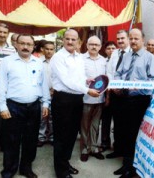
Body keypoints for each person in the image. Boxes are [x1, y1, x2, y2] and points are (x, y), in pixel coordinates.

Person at [0, 34, 50, 178]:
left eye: (29, 44)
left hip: (33, 107)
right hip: (13, 107)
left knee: (31, 140)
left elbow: (43, 84)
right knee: (11, 140)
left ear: (33, 46)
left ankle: (26, 168)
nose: (26, 47)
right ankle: (9, 170)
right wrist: (2, 106)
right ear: (16, 45)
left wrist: (46, 102)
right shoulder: (7, 62)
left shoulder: (38, 63)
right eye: (22, 43)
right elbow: (1, 85)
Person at [50, 29, 99, 178]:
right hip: (63, 100)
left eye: (73, 39)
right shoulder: (58, 57)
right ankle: (61, 171)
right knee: (61, 136)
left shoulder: (79, 57)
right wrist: (87, 90)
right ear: (63, 40)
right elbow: (66, 80)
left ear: (78, 41)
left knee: (71, 135)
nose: (70, 42)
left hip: (77, 99)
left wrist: (87, 80)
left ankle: (65, 163)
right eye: (68, 39)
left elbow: (78, 76)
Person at [113, 28, 154, 177]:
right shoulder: (126, 56)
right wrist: (118, 85)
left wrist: (138, 85)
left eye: (136, 38)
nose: (132, 41)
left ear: (142, 40)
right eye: (131, 38)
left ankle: (131, 168)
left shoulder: (149, 58)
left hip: (139, 100)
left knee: (133, 134)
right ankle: (126, 163)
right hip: (123, 98)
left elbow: (153, 81)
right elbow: (118, 73)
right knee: (124, 132)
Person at [80, 36, 106, 162]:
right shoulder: (80, 59)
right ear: (87, 45)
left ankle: (94, 148)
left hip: (100, 99)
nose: (94, 47)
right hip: (86, 98)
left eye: (96, 45)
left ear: (100, 47)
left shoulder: (104, 60)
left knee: (95, 125)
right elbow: (77, 77)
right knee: (85, 124)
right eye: (91, 44)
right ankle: (85, 149)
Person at [105, 30, 131, 159]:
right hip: (115, 93)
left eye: (122, 38)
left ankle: (126, 153)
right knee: (117, 123)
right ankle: (117, 149)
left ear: (128, 38)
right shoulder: (115, 53)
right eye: (118, 39)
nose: (120, 41)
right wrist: (112, 86)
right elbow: (109, 71)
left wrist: (123, 87)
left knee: (126, 124)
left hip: (127, 94)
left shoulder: (133, 53)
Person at [0, 23, 15, 160]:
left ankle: (3, 145)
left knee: (6, 122)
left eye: (5, 32)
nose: (2, 35)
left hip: (7, 91)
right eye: (0, 32)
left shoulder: (13, 50)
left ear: (8, 34)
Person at [37, 41, 55, 147]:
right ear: (43, 49)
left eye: (51, 49)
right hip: (42, 93)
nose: (49, 51)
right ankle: (41, 137)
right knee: (42, 116)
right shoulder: (38, 62)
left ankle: (52, 137)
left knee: (53, 117)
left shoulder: (57, 62)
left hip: (54, 92)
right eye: (47, 49)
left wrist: (55, 89)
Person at [100, 41, 116, 151]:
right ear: (105, 50)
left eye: (113, 48)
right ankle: (105, 143)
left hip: (116, 93)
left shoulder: (120, 60)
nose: (111, 50)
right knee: (105, 120)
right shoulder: (103, 62)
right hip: (105, 93)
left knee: (117, 122)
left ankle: (117, 144)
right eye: (109, 48)